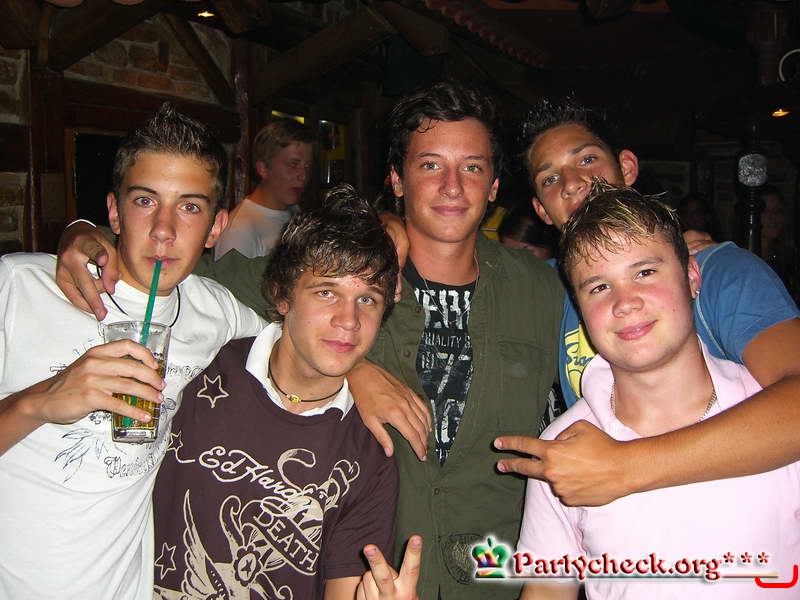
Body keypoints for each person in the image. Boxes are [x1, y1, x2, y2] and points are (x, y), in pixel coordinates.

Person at [53, 82, 564, 599]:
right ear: (397, 178)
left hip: (494, 577)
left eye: (472, 167)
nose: (452, 186)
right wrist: (87, 235)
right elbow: (172, 265)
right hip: (372, 576)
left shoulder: (545, 291)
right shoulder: (335, 267)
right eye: (430, 165)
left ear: (495, 185)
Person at [0, 104, 264, 599]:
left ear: (216, 227)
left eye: (189, 207)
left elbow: (305, 343)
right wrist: (37, 402)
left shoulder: (216, 310)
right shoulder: (19, 285)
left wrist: (362, 374)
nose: (164, 229)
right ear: (114, 211)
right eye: (145, 201)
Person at [494, 98, 800, 508]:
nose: (571, 182)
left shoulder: (716, 272)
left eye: (587, 159)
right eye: (549, 178)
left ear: (627, 168)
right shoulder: (546, 287)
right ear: (541, 210)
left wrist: (626, 468)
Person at [517, 183, 800, 599]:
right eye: (598, 287)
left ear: (692, 277)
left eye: (645, 273)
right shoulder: (565, 446)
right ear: (580, 311)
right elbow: (547, 590)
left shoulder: (776, 418)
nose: (625, 302)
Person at [153, 184, 400, 599]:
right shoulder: (200, 365)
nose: (348, 320)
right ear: (283, 295)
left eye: (367, 300)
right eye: (327, 292)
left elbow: (346, 586)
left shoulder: (370, 451)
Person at [214, 118, 315, 260]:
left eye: (308, 166)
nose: (303, 176)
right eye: (293, 164)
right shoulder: (239, 231)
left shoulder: (296, 212)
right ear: (263, 169)